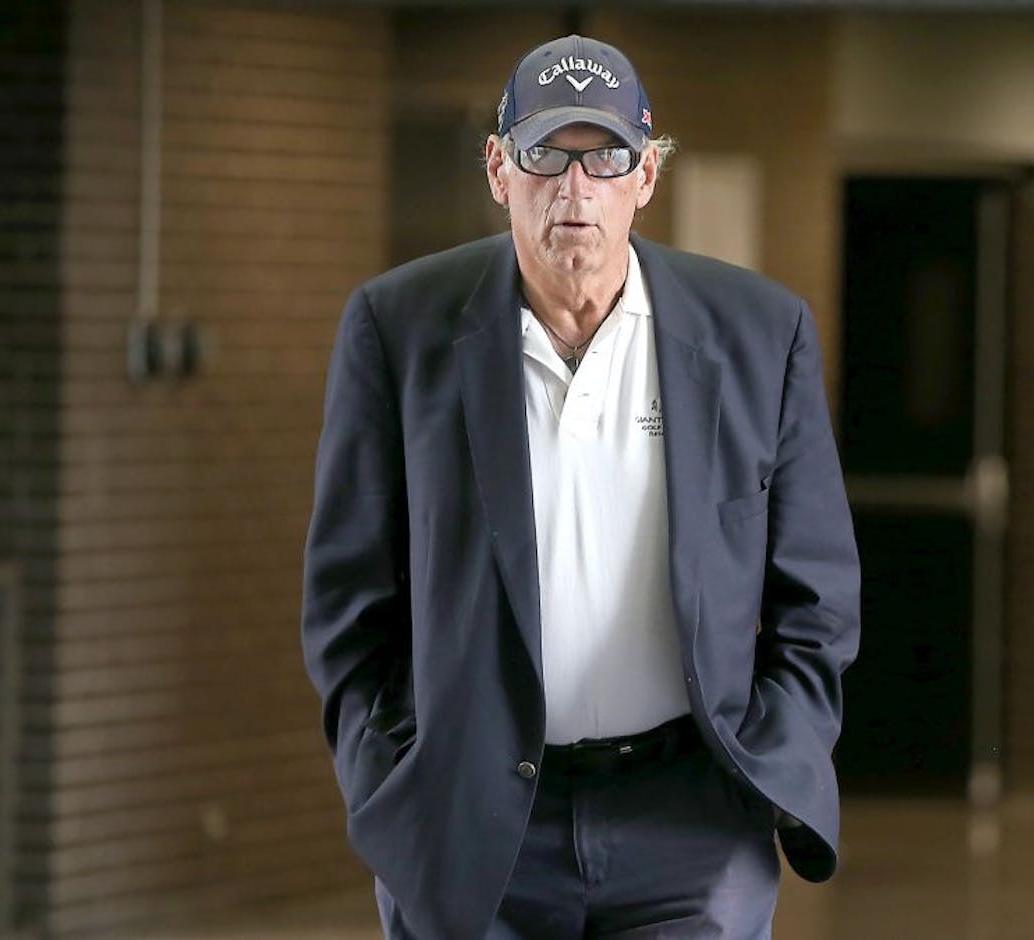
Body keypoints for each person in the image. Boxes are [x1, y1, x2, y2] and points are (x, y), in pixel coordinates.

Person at [301, 33, 860, 940]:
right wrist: (394, 779)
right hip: (473, 826)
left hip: (689, 827)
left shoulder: (761, 334)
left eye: (604, 157)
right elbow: (348, 602)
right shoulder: (398, 331)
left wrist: (774, 757)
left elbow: (818, 598)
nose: (574, 188)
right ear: (498, 169)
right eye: (545, 156)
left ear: (646, 176)